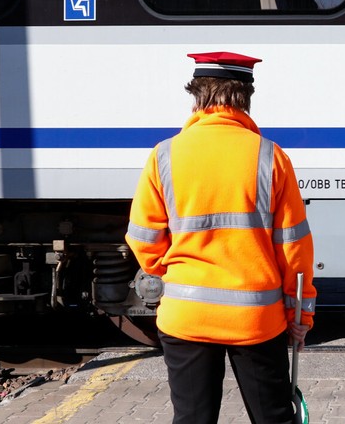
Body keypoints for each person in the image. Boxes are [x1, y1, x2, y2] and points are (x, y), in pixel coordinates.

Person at [126, 51, 316, 424]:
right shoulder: (271, 158)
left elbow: (143, 238)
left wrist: (176, 271)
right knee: (274, 418)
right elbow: (294, 249)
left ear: (197, 97)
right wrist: (301, 312)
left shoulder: (164, 155)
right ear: (245, 97)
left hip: (187, 316)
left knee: (193, 419)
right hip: (256, 321)